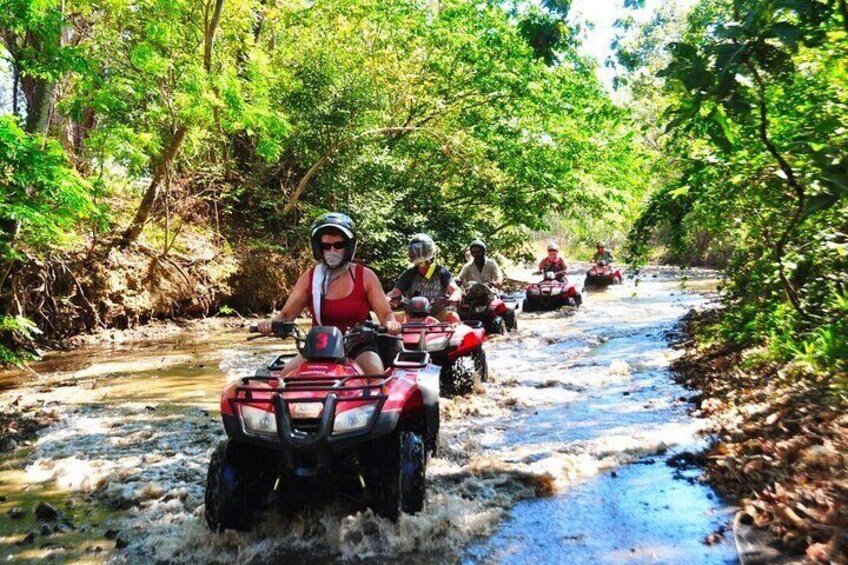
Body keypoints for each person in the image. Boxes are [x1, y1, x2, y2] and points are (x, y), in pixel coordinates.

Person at [257, 212, 401, 375]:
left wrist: (391, 324)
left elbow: (386, 314)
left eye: (338, 245)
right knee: (284, 378)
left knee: (375, 374)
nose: (332, 250)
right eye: (326, 246)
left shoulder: (366, 276)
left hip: (358, 345)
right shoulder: (309, 278)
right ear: (318, 248)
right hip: (318, 347)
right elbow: (286, 315)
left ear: (349, 246)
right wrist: (269, 323)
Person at [387, 233, 462, 324]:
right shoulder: (409, 274)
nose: (419, 255)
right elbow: (395, 292)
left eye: (422, 251)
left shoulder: (441, 272)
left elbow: (454, 289)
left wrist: (455, 296)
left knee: (453, 317)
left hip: (438, 315)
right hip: (412, 316)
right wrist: (386, 299)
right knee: (392, 319)